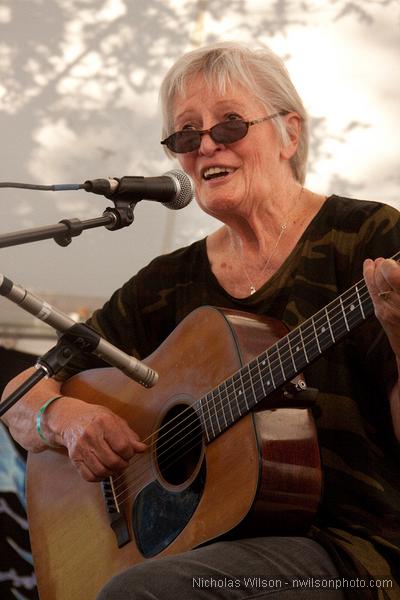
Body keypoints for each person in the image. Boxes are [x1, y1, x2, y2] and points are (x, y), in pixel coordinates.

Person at [1, 42, 400, 600]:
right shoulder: (168, 284)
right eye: (186, 135)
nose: (206, 144)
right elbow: (19, 395)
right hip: (205, 548)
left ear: (289, 133)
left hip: (355, 556)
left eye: (229, 125)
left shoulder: (370, 240)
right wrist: (62, 418)